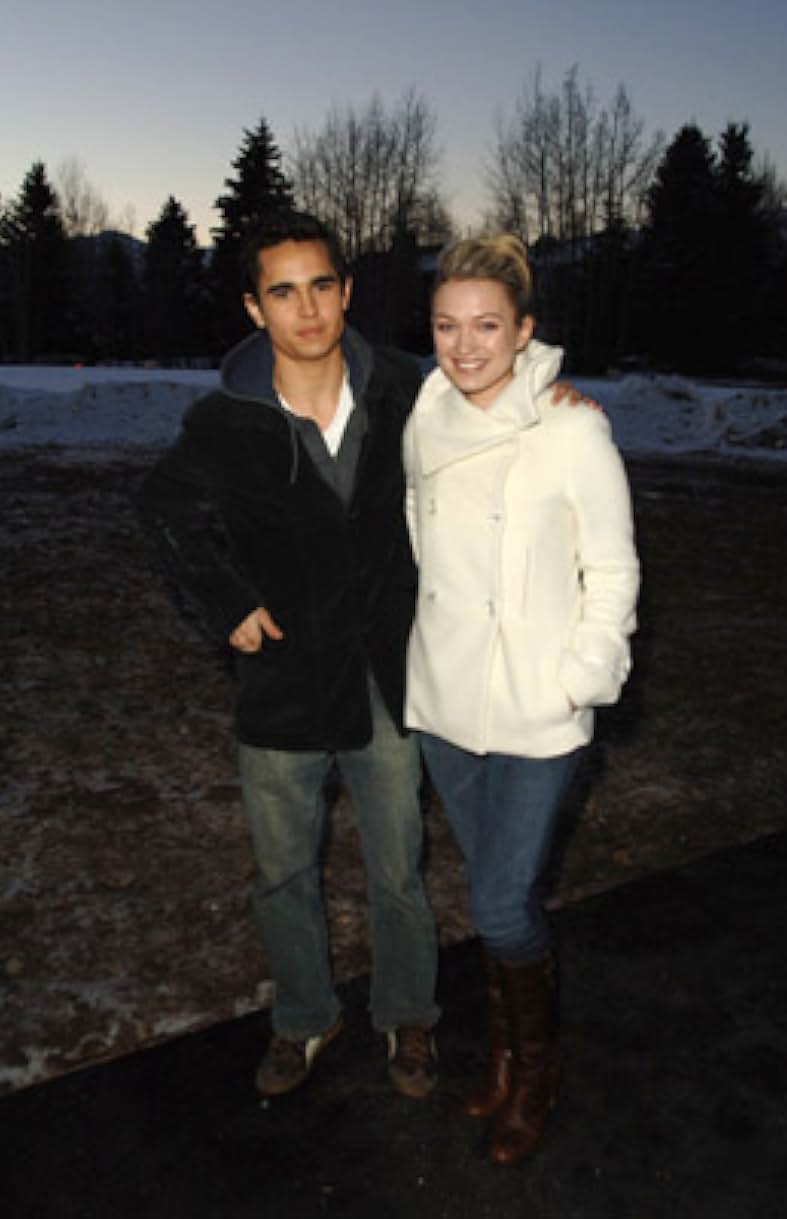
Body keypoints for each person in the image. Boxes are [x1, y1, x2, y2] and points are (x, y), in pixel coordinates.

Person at [136, 211, 440, 1101]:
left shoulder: (406, 392)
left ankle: (407, 1012)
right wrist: (224, 599)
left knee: (399, 867)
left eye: (321, 285)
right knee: (282, 873)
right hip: (282, 687)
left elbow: (497, 422)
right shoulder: (225, 419)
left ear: (345, 293)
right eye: (282, 290)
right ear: (253, 306)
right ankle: (306, 1016)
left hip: (386, 679)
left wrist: (554, 393)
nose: (306, 308)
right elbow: (162, 507)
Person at [403, 235, 640, 1163]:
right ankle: (503, 1056)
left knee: (502, 906)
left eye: (488, 326)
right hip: (448, 703)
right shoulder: (425, 413)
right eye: (446, 326)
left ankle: (536, 1068)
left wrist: (582, 674)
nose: (465, 347)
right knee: (491, 893)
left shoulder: (572, 427)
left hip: (539, 708)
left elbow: (613, 567)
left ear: (525, 330)